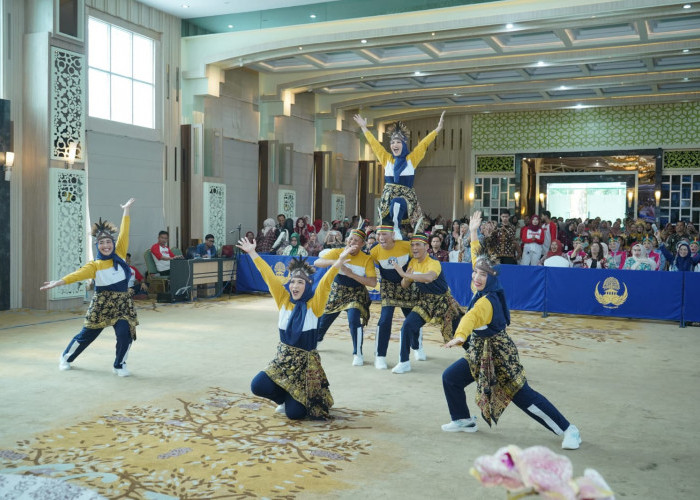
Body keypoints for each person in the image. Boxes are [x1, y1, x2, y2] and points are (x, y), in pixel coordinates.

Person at [440, 210, 581, 450]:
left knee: (523, 396)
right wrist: (473, 232)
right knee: (451, 378)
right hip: (479, 350)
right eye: (475, 272)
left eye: (482, 274)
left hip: (499, 355)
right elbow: (476, 257)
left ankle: (569, 430)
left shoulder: (486, 301)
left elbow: (470, 318)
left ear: (491, 278)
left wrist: (460, 336)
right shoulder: (484, 286)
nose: (476, 276)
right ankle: (462, 419)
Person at [236, 237, 353, 420]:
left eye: (300, 282)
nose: (294, 286)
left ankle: (300, 399)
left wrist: (337, 264)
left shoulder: (315, 305)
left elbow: (325, 283)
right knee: (257, 386)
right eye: (292, 282)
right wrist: (252, 252)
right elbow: (268, 276)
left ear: (307, 286)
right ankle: (284, 398)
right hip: (282, 362)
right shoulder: (283, 300)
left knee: (295, 415)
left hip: (305, 367)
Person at [41, 199, 139, 377]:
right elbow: (76, 275)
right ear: (97, 246)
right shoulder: (95, 265)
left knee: (125, 334)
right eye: (102, 243)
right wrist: (58, 282)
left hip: (123, 303)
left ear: (113, 243)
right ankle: (66, 357)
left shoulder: (120, 253)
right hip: (102, 304)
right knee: (86, 336)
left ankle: (119, 365)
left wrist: (126, 211)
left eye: (108, 242)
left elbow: (125, 232)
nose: (106, 246)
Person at [354, 111, 445, 238]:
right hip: (387, 200)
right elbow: (374, 145)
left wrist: (437, 129)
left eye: (398, 142)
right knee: (385, 222)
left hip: (406, 200)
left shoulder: (411, 160)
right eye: (392, 143)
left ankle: (396, 228)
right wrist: (364, 127)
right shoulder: (387, 160)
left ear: (403, 144)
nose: (394, 145)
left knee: (397, 202)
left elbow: (423, 144)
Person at [390, 225, 463, 374]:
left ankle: (478, 357)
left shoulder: (433, 263)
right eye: (412, 245)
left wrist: (404, 274)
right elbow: (404, 285)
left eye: (418, 245)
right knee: (407, 326)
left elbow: (429, 277)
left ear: (426, 247)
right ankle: (404, 362)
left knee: (460, 333)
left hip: (444, 303)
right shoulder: (413, 263)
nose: (414, 248)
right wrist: (406, 277)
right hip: (425, 302)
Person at [315, 222, 377, 366]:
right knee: (324, 319)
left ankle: (358, 353)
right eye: (350, 239)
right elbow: (318, 262)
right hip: (337, 290)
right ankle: (316, 340)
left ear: (362, 244)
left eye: (355, 240)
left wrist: (351, 274)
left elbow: (373, 283)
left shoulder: (366, 259)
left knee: (353, 319)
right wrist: (338, 261)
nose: (351, 242)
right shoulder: (339, 251)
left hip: (356, 292)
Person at [369, 224, 420, 370]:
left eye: (384, 234)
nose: (380, 237)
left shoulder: (405, 246)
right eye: (378, 234)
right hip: (388, 286)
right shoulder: (374, 251)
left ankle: (417, 346)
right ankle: (380, 356)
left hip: (406, 284)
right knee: (385, 319)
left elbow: (419, 256)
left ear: (393, 235)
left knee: (412, 319)